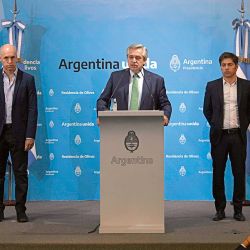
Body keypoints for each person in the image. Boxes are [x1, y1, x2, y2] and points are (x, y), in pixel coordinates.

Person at [203, 52, 250, 222]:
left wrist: (244, 125)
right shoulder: (212, 86)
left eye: (230, 64)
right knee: (218, 173)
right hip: (219, 137)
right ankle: (220, 209)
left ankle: (238, 209)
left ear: (236, 66)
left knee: (239, 173)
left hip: (238, 136)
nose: (226, 68)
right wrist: (216, 124)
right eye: (223, 65)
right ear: (220, 67)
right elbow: (206, 110)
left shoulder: (247, 85)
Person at [0, 44, 38, 222]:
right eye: (6, 58)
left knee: (20, 174)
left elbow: (32, 109)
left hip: (20, 134)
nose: (9, 61)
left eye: (12, 58)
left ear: (17, 58)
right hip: (0, 133)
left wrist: (30, 135)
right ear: (1, 59)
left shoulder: (28, 80)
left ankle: (21, 211)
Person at [96, 43, 172, 124]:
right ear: (127, 59)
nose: (134, 60)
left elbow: (165, 104)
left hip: (147, 126)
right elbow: (102, 100)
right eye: (131, 57)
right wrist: (103, 115)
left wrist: (165, 116)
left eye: (138, 58)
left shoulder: (157, 80)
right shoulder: (116, 77)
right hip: (119, 125)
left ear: (145, 60)